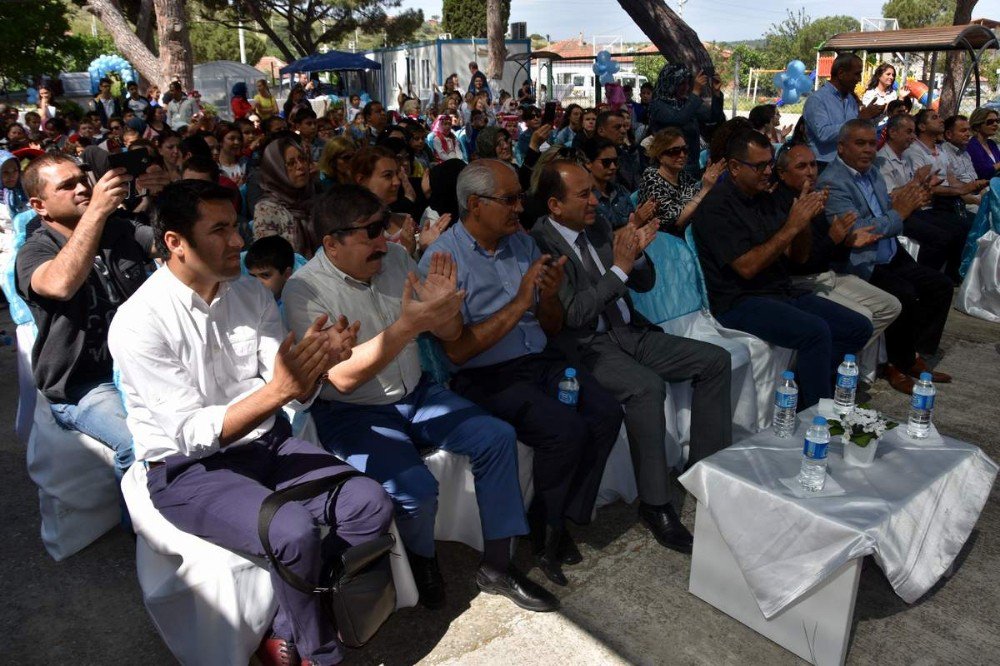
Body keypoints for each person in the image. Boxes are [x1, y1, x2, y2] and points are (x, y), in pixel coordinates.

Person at [108, 179, 391, 666]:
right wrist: (282, 388)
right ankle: (318, 652)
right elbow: (193, 434)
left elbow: (288, 387)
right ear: (175, 243)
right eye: (219, 230)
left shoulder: (249, 294)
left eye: (234, 226)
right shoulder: (139, 322)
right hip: (188, 471)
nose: (239, 241)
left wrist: (316, 366)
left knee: (369, 502)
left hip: (269, 445)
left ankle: (289, 622)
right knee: (291, 529)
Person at [283, 184, 558, 612]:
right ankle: (423, 560)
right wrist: (410, 326)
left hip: (416, 391)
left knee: (497, 436)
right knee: (414, 489)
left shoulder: (395, 259)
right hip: (354, 412)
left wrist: (444, 313)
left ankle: (499, 566)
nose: (383, 242)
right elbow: (342, 380)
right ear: (331, 243)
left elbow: (447, 337)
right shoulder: (304, 291)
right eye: (370, 233)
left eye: (383, 228)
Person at [421, 159, 623, 587]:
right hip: (487, 375)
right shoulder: (443, 261)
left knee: (605, 411)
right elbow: (457, 351)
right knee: (564, 431)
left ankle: (556, 518)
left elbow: (548, 325)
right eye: (509, 199)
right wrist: (519, 301)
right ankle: (548, 533)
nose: (519, 208)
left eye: (520, 198)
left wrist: (548, 299)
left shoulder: (521, 244)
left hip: (540, 360)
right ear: (474, 205)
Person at [532, 159, 733, 554]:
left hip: (630, 332)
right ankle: (656, 504)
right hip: (588, 348)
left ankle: (706, 474)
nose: (594, 200)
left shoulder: (599, 225)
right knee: (645, 388)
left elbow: (644, 280)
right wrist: (620, 268)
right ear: (555, 205)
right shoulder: (540, 243)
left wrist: (637, 255)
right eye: (584, 194)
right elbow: (573, 315)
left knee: (715, 361)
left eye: (593, 190)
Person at [692, 130, 873, 409]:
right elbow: (747, 268)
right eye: (760, 166)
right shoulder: (717, 206)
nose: (768, 172)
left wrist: (801, 224)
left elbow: (798, 259)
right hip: (739, 300)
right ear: (735, 167)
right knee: (816, 331)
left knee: (857, 327)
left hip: (779, 290)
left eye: (769, 164)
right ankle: (818, 413)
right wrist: (792, 226)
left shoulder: (764, 197)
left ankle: (805, 398)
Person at [15, 154, 166, 480]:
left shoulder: (119, 229)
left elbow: (171, 246)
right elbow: (59, 285)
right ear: (40, 206)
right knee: (139, 443)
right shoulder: (34, 251)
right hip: (84, 384)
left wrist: (168, 198)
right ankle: (142, 527)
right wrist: (97, 212)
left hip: (144, 364)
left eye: (84, 179)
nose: (82, 188)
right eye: (67, 186)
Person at [818, 119, 954, 393]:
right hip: (862, 261)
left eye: (871, 143)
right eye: (860, 143)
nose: (869, 149)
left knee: (940, 286)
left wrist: (911, 193)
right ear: (841, 148)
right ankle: (895, 363)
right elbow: (858, 232)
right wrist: (900, 212)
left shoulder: (873, 172)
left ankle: (915, 353)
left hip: (890, 251)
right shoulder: (833, 182)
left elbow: (884, 210)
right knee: (903, 294)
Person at [774, 142, 901, 351]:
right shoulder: (780, 204)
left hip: (827, 274)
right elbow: (800, 264)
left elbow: (830, 254)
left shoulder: (815, 197)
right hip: (799, 282)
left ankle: (840, 359)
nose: (811, 172)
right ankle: (833, 365)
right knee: (864, 317)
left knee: (890, 306)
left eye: (813, 165)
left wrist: (846, 241)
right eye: (801, 166)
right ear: (782, 173)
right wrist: (834, 239)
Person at [889, 111, 979, 283]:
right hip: (914, 209)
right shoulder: (912, 152)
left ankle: (952, 276)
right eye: (934, 118)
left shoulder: (937, 151)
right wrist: (962, 191)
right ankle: (925, 278)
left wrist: (970, 188)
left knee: (968, 224)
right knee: (947, 234)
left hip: (932, 204)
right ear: (922, 126)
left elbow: (951, 180)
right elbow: (896, 194)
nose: (941, 120)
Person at [802, 53, 884, 169]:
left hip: (848, 165)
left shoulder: (850, 99)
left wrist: (872, 117)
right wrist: (859, 120)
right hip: (824, 166)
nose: (859, 79)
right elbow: (823, 134)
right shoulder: (817, 100)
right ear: (841, 73)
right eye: (856, 74)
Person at [639, 127, 724, 236]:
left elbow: (695, 194)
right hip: (664, 241)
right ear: (660, 156)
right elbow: (676, 221)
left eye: (685, 149)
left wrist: (704, 182)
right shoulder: (651, 177)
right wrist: (705, 188)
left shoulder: (681, 175)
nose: (682, 155)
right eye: (674, 151)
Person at [646, 63, 724, 175]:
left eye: (688, 83)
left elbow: (713, 118)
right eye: (682, 83)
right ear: (671, 82)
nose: (686, 87)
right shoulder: (658, 105)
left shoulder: (687, 102)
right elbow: (678, 120)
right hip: (668, 168)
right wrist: (696, 92)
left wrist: (716, 93)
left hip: (691, 166)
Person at [253, 137, 316, 257]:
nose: (300, 166)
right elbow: (269, 259)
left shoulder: (313, 197)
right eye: (291, 163)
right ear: (276, 169)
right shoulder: (267, 209)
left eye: (302, 159)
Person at [581, 136, 654, 230]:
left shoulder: (621, 191)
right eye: (606, 162)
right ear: (588, 163)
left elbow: (633, 217)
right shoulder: (585, 199)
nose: (612, 167)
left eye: (615, 162)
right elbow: (599, 241)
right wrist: (635, 223)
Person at [942, 114, 988, 210]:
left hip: (977, 194)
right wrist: (978, 200)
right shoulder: (943, 154)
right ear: (949, 134)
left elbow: (974, 180)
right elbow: (951, 187)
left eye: (968, 130)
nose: (968, 134)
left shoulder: (965, 153)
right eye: (963, 131)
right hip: (961, 202)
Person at [595, 110, 642, 191]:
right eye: (617, 127)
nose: (623, 131)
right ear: (601, 131)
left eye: (624, 126)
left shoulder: (625, 154)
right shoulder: (589, 155)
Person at [245, 233, 295, 300]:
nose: (257, 283)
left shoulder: (297, 303)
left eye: (265, 275)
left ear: (287, 274)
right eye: (252, 276)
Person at [965, 107, 1000, 179]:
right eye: (990, 122)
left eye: (997, 121)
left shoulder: (991, 143)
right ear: (977, 126)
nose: (995, 124)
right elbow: (982, 173)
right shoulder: (971, 146)